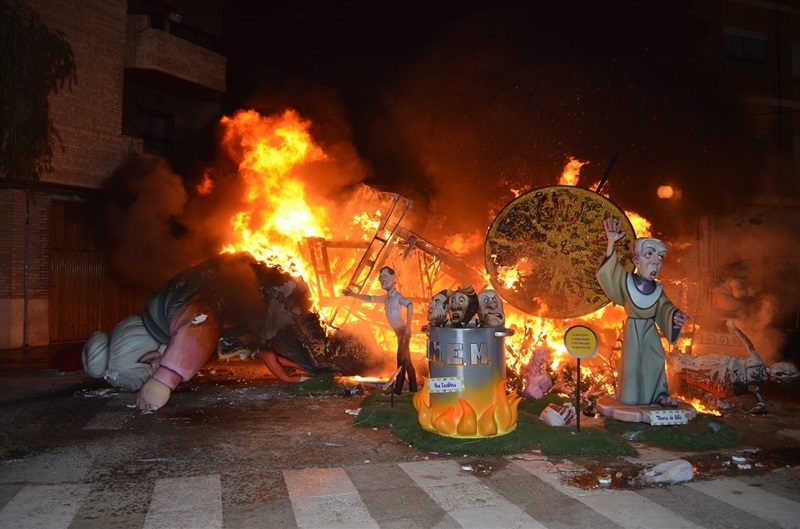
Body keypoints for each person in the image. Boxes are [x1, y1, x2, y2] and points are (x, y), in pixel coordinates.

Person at [82, 252, 331, 411]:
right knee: (279, 353)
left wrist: (163, 380)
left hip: (262, 287)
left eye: (151, 369)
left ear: (147, 357)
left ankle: (320, 367)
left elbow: (201, 321)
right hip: (253, 310)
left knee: (307, 352)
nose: (155, 368)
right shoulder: (162, 313)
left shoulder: (167, 312)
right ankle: (310, 370)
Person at [597, 218, 689, 408]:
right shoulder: (626, 281)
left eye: (660, 257)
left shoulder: (658, 290)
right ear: (636, 260)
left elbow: (666, 308)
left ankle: (659, 395)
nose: (656, 261)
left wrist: (676, 316)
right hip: (633, 329)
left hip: (649, 329)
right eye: (649, 254)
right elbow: (609, 272)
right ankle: (631, 397)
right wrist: (611, 242)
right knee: (632, 364)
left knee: (656, 358)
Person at [342, 267, 417, 394]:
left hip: (403, 333)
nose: (382, 280)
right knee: (407, 363)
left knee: (401, 363)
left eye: (385, 276)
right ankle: (413, 389)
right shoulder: (386, 298)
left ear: (393, 278)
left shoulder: (397, 297)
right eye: (381, 277)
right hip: (399, 333)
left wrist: (408, 327)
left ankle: (397, 392)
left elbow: (410, 305)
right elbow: (370, 298)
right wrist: (353, 295)